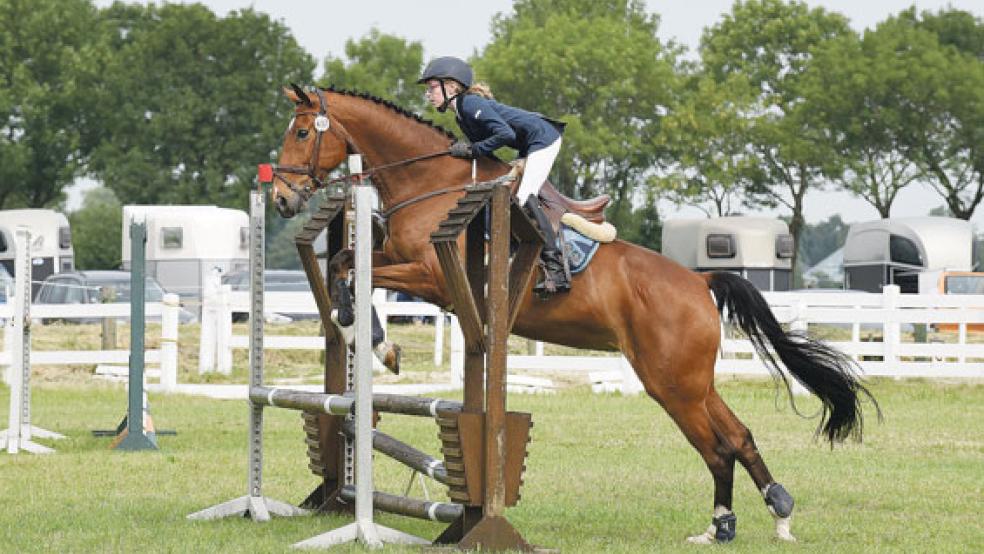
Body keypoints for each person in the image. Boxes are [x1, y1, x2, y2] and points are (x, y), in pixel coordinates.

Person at [418, 56, 570, 294]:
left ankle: (556, 268)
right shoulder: (461, 112)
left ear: (451, 87)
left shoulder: (468, 104)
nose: (429, 94)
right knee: (507, 197)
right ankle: (511, 251)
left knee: (523, 199)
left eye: (432, 87)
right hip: (529, 143)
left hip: (544, 138)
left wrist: (472, 150)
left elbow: (505, 134)